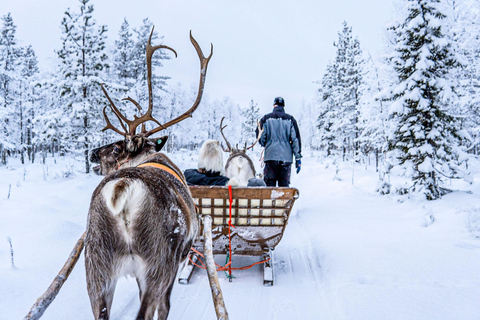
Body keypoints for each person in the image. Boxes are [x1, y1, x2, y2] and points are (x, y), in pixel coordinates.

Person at [256, 97, 302, 187]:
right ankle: (284, 201)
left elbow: (261, 137)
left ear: (274, 105)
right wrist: (298, 157)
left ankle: (270, 201)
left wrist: (266, 143)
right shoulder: (290, 119)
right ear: (283, 106)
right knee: (284, 187)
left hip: (270, 157)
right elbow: (295, 139)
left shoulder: (266, 119)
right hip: (286, 158)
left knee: (269, 186)